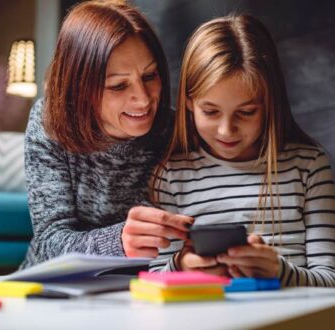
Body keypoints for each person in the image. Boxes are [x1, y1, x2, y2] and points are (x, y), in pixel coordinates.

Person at [148, 14, 335, 287]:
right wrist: (182, 266)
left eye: (246, 112)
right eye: (210, 111)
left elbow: (330, 281)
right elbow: (152, 283)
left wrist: (279, 271)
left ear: (269, 103)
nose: (226, 130)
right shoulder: (171, 175)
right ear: (189, 102)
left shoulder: (308, 166)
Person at [20, 0, 193, 268]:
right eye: (119, 85)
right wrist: (120, 242)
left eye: (149, 77)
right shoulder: (49, 122)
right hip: (53, 284)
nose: (144, 99)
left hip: (145, 287)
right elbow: (49, 241)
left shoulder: (175, 129)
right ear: (80, 87)